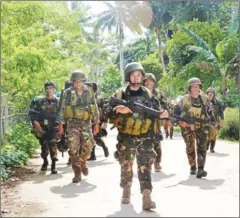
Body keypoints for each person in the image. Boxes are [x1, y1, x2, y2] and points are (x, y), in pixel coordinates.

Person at [108, 62, 168, 210]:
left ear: (142, 76)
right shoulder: (120, 94)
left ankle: (146, 196)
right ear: (129, 77)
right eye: (133, 75)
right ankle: (126, 189)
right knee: (126, 165)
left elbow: (156, 111)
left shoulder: (148, 94)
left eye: (139, 75)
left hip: (145, 136)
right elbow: (106, 112)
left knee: (145, 165)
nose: (136, 77)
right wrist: (117, 109)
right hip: (126, 136)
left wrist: (164, 114)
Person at [60, 70, 99, 183]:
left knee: (88, 147)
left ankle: (83, 162)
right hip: (72, 124)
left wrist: (96, 123)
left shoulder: (89, 91)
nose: (77, 84)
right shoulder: (67, 93)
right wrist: (60, 125)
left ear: (83, 81)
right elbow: (62, 109)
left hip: (86, 123)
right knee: (73, 149)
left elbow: (95, 107)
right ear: (72, 82)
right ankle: (77, 172)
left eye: (80, 81)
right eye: (75, 81)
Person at [175, 78, 216, 178]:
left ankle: (201, 169)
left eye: (197, 86)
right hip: (188, 127)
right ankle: (193, 166)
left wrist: (213, 124)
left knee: (202, 147)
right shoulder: (184, 100)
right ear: (189, 88)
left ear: (200, 87)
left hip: (201, 126)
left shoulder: (204, 98)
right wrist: (180, 122)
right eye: (193, 86)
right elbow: (175, 113)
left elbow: (209, 112)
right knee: (190, 147)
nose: (195, 88)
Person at [29, 81, 62, 174]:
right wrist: (35, 122)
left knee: (53, 144)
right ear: (44, 90)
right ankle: (45, 161)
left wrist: (60, 125)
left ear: (54, 89)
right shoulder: (39, 101)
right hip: (42, 127)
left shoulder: (58, 101)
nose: (49, 90)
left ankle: (53, 165)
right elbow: (32, 112)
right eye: (47, 88)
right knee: (44, 146)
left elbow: (62, 114)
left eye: (50, 88)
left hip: (54, 126)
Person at [142, 73, 166, 172]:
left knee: (157, 143)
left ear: (153, 82)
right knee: (144, 143)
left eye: (150, 81)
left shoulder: (158, 93)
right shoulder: (141, 92)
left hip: (155, 121)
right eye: (146, 81)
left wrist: (164, 115)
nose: (148, 83)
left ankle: (157, 162)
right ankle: (147, 163)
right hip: (143, 122)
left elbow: (164, 106)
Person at [88, 96, 109, 160]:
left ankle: (103, 147)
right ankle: (93, 155)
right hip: (89, 120)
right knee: (92, 137)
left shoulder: (98, 99)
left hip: (96, 121)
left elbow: (104, 111)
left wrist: (105, 122)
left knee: (95, 137)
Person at [206, 87, 224, 153]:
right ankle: (206, 147)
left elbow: (221, 113)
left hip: (215, 122)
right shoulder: (204, 101)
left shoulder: (218, 102)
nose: (210, 94)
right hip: (206, 121)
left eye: (212, 93)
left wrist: (222, 122)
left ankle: (212, 148)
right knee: (207, 135)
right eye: (209, 93)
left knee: (213, 135)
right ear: (207, 93)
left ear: (214, 94)